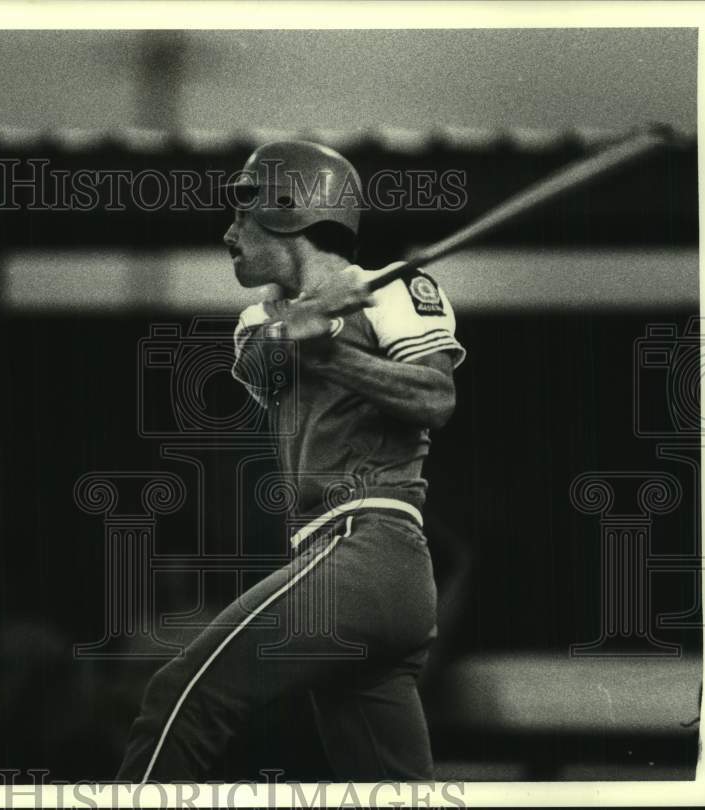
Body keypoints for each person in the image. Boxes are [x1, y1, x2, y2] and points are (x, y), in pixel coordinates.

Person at [115, 141, 465, 782]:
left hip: (368, 544)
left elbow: (436, 397)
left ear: (288, 208)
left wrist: (331, 352)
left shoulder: (398, 289)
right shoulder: (256, 319)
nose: (228, 234)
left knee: (181, 695)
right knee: (389, 790)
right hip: (335, 562)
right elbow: (260, 357)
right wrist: (308, 319)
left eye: (239, 213)